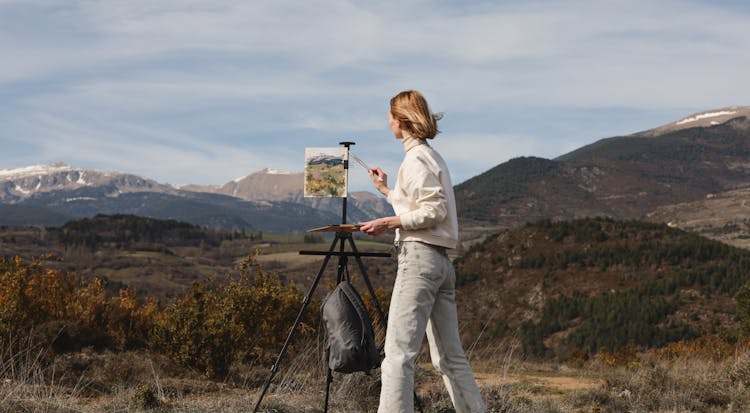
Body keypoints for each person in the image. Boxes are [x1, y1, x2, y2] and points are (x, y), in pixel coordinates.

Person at [359, 90, 486, 413]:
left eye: (389, 117)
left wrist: (390, 222)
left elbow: (434, 211)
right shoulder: (430, 157)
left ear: (400, 121)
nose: (387, 123)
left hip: (419, 261)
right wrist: (388, 191)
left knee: (398, 356)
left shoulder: (415, 159)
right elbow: (425, 204)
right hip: (441, 264)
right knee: (449, 357)